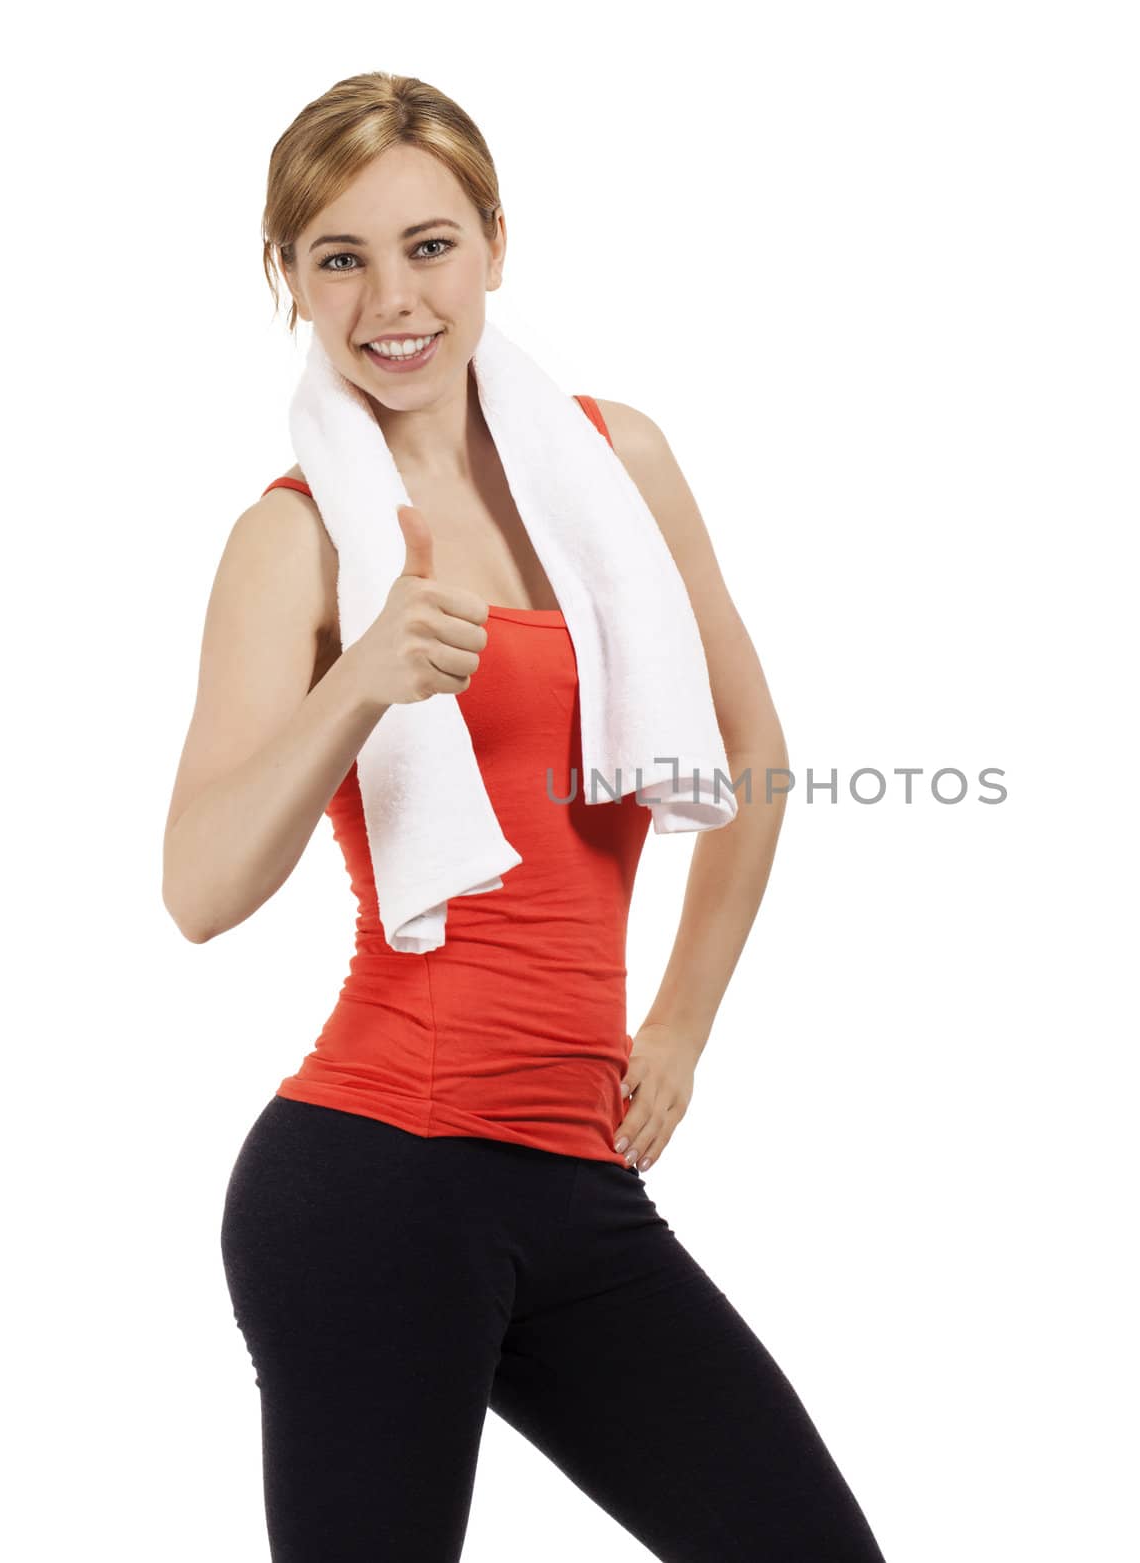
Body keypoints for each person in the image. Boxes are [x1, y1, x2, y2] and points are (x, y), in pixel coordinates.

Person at [162, 70, 887, 1563]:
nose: (391, 300)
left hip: (575, 1181)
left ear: (497, 242)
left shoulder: (618, 469)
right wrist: (358, 680)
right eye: (338, 257)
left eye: (429, 244)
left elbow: (752, 764)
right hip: (371, 1183)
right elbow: (199, 886)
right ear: (287, 276)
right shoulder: (293, 539)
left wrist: (679, 1026)